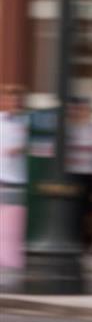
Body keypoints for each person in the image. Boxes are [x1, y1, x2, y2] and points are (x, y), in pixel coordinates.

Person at [66, 98, 92, 246]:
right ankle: (73, 239)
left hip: (91, 175)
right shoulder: (68, 129)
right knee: (73, 210)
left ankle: (87, 242)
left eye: (85, 109)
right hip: (72, 175)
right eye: (78, 109)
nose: (81, 112)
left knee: (91, 212)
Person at [0, 89, 27, 273]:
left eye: (17, 100)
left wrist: (22, 148)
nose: (14, 104)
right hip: (1, 176)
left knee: (14, 222)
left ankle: (10, 259)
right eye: (10, 100)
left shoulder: (27, 122)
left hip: (19, 179)